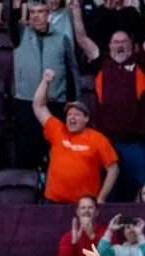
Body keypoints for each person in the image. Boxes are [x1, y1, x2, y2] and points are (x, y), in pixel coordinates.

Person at [69, 0, 145, 202]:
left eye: (124, 42)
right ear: (109, 46)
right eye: (116, 42)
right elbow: (82, 38)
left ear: (131, 45)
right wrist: (76, 11)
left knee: (141, 195)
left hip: (135, 143)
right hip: (106, 143)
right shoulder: (101, 63)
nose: (120, 45)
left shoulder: (140, 63)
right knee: (108, 195)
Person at [10, 1, 80, 170]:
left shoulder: (62, 38)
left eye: (40, 11)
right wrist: (15, 7)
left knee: (57, 157)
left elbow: (72, 72)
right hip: (26, 103)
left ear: (48, 14)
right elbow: (11, 20)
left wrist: (75, 101)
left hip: (55, 104)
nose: (35, 15)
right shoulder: (19, 34)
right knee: (26, 157)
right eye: (32, 12)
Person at [34, 69, 119, 204]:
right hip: (54, 203)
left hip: (84, 206)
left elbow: (113, 168)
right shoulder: (57, 130)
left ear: (86, 119)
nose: (72, 117)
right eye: (69, 114)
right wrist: (45, 81)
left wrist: (102, 197)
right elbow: (39, 106)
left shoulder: (97, 138)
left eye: (77, 114)